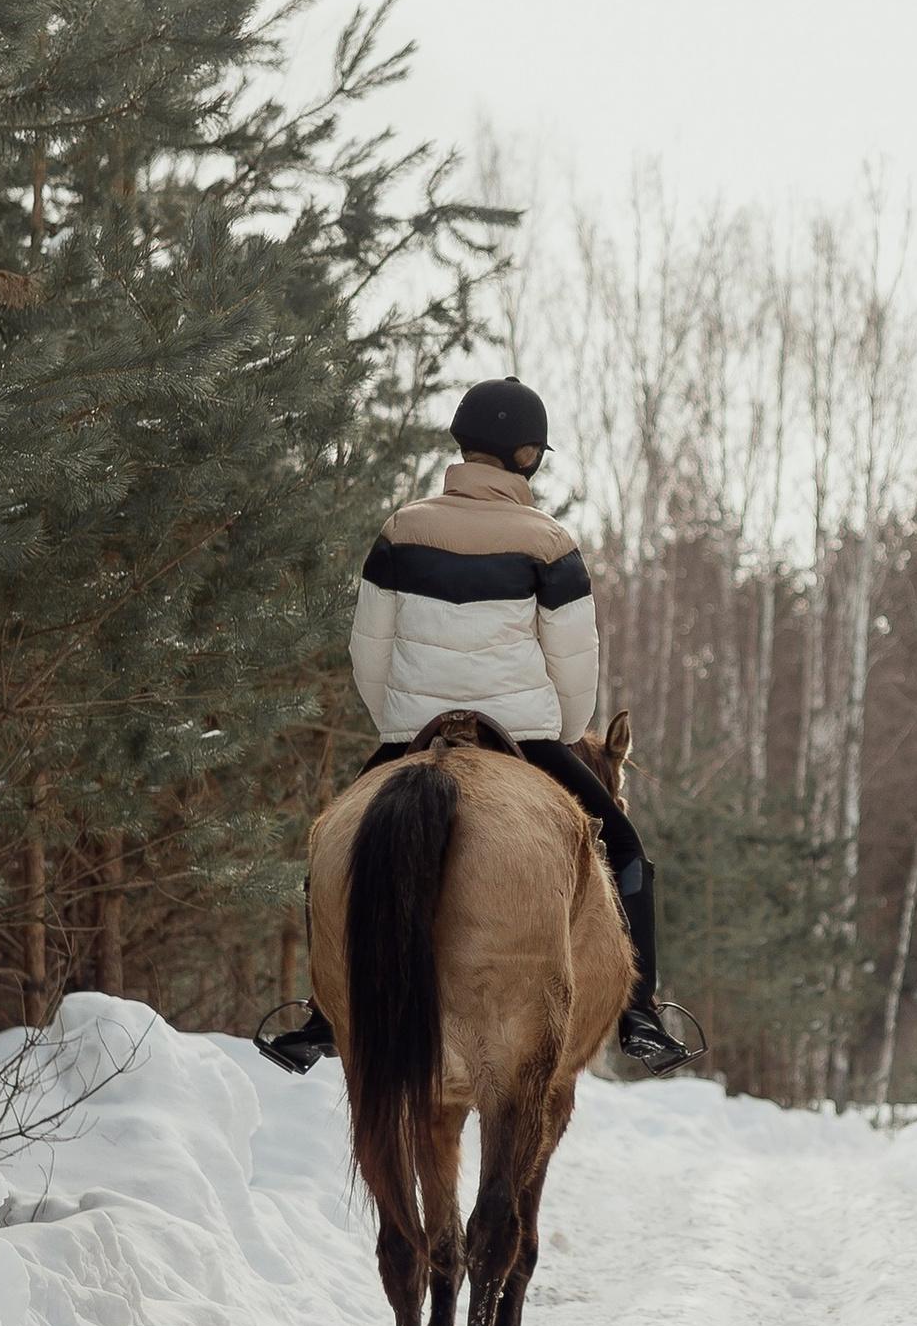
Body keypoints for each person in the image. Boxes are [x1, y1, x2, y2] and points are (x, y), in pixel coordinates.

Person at [257, 378, 697, 1074]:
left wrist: (398, 726)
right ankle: (641, 1014)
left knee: (327, 852)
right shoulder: (550, 543)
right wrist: (560, 731)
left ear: (462, 444)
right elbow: (574, 664)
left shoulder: (400, 530)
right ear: (527, 455)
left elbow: (367, 648)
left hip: (411, 730)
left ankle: (323, 1015)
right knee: (628, 852)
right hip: (524, 734)